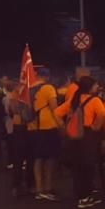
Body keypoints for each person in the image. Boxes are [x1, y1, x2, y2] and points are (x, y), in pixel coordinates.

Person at [55, 76, 105, 208]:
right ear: (90, 87)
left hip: (74, 136)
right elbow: (102, 114)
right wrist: (96, 126)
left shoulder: (74, 100)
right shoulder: (95, 100)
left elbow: (57, 113)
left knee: (77, 167)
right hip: (88, 136)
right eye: (95, 85)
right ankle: (86, 196)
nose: (97, 87)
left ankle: (80, 195)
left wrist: (63, 127)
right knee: (88, 166)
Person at [27, 67, 63, 201]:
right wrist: (61, 125)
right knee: (50, 158)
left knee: (37, 158)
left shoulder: (28, 89)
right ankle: (47, 188)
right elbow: (55, 108)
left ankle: (38, 189)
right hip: (47, 126)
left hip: (32, 127)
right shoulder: (48, 88)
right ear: (47, 77)